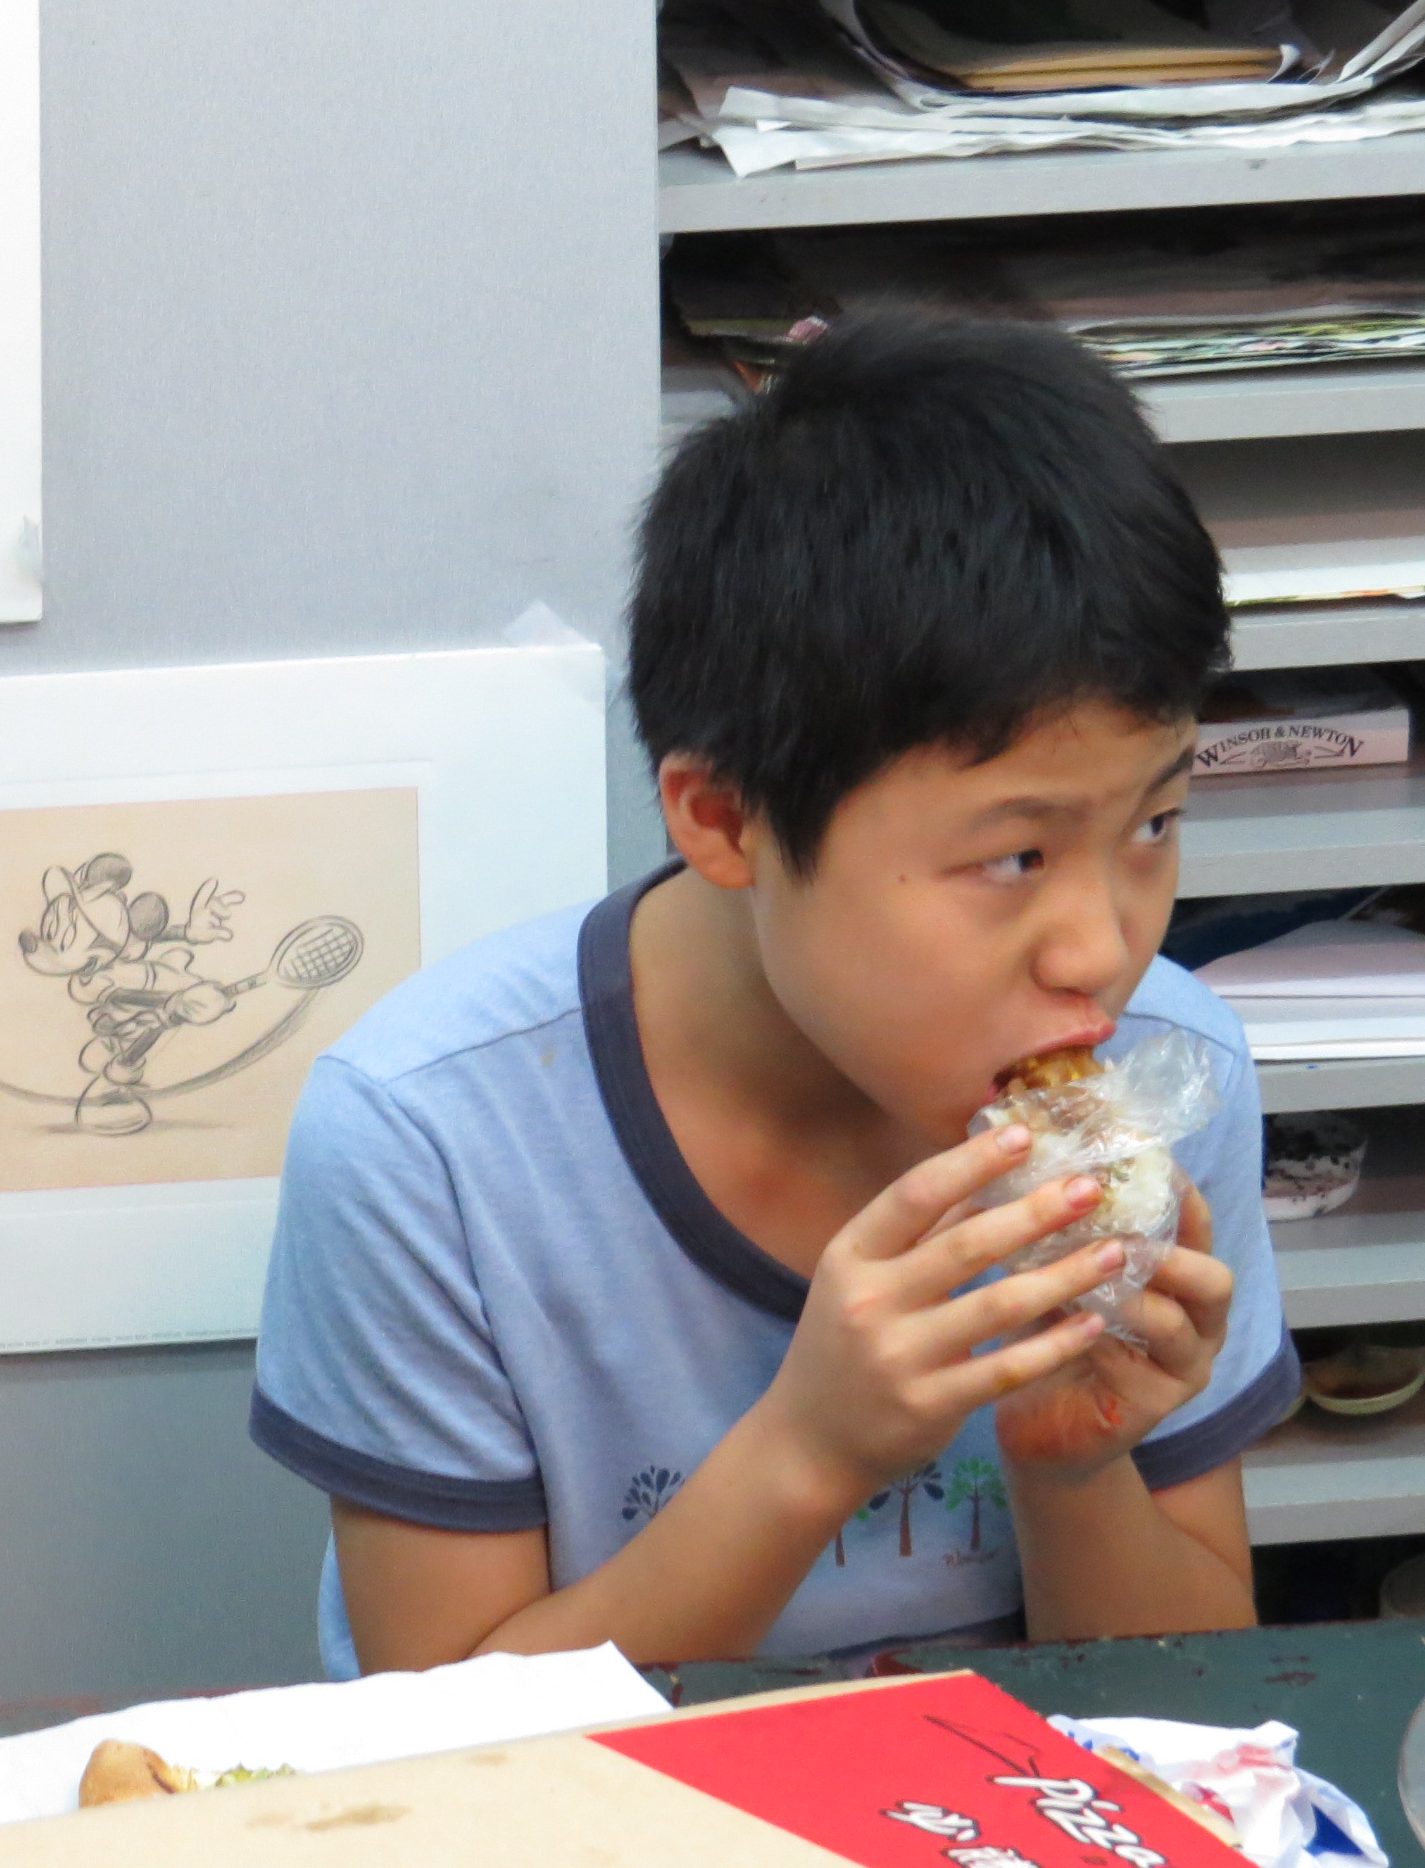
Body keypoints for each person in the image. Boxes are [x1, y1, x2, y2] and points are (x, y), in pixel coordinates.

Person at [251, 314, 1293, 1674]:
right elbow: (446, 1748)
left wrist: (1071, 1469)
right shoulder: (431, 1141)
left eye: (1152, 824)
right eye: (1014, 858)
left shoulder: (1163, 1069)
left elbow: (1193, 1710)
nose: (1099, 950)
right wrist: (810, 1451)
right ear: (724, 818)